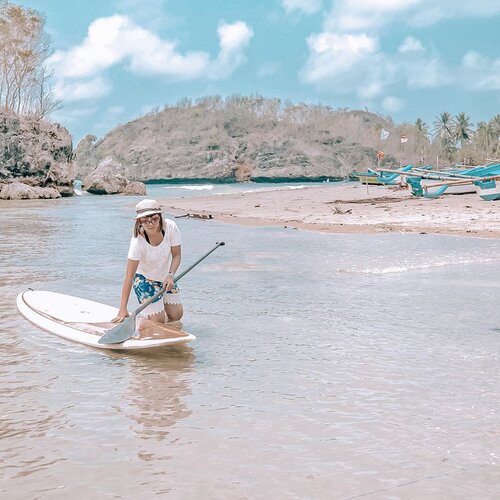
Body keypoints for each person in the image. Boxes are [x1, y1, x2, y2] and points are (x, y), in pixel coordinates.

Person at [112, 199, 183, 329]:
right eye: (145, 221)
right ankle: (146, 323)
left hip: (167, 277)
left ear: (160, 217)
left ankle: (167, 334)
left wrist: (171, 275)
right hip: (145, 279)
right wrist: (123, 308)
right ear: (139, 221)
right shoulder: (137, 242)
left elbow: (177, 255)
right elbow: (128, 277)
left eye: (154, 219)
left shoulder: (171, 227)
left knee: (177, 315)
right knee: (158, 321)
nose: (150, 224)